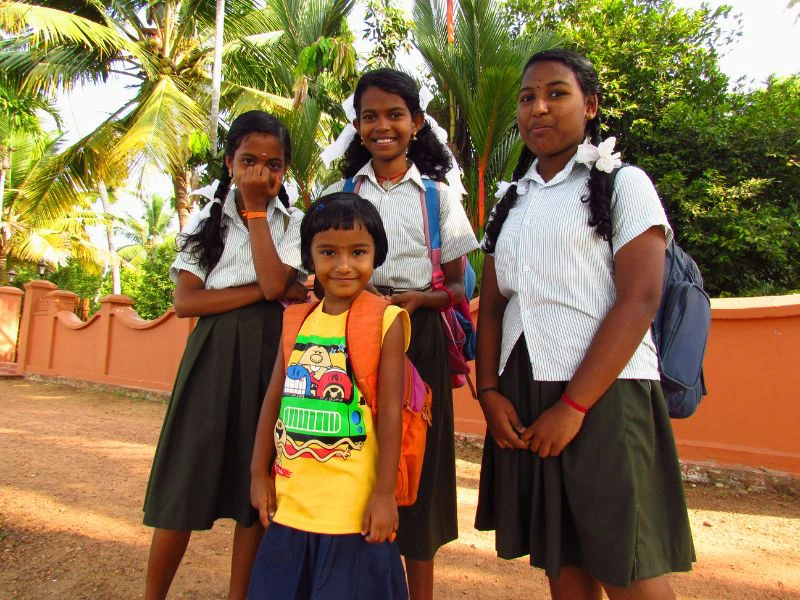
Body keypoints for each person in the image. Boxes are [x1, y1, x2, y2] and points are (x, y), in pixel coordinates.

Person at [474, 49, 695, 600]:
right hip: (526, 391)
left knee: (628, 566)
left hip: (605, 395)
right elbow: (496, 305)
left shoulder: (624, 184)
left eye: (556, 93)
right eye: (528, 98)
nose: (538, 109)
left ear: (590, 105)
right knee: (564, 562)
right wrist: (489, 392)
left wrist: (573, 408)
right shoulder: (512, 202)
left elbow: (639, 298)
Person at [320, 68, 479, 600]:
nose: (382, 126)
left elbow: (457, 286)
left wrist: (418, 300)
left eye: (394, 115)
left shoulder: (438, 197)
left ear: (415, 122)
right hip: (349, 335)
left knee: (420, 463)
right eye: (370, 117)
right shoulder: (339, 192)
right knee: (347, 453)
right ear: (357, 125)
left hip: (421, 336)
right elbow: (317, 269)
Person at [142, 111, 307, 600]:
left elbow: (280, 283)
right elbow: (187, 302)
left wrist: (257, 213)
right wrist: (262, 291)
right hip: (213, 356)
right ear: (230, 162)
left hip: (271, 357)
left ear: (286, 170)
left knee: (254, 485)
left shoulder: (296, 223)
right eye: (249, 161)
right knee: (185, 479)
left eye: (274, 165)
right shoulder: (205, 219)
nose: (262, 174)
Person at [248, 192, 409, 599]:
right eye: (328, 252)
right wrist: (257, 472)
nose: (343, 265)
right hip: (292, 503)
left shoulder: (386, 319)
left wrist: (385, 494)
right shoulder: (295, 319)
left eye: (358, 251)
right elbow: (273, 400)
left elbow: (391, 411)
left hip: (351, 513)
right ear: (310, 257)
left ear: (377, 254)